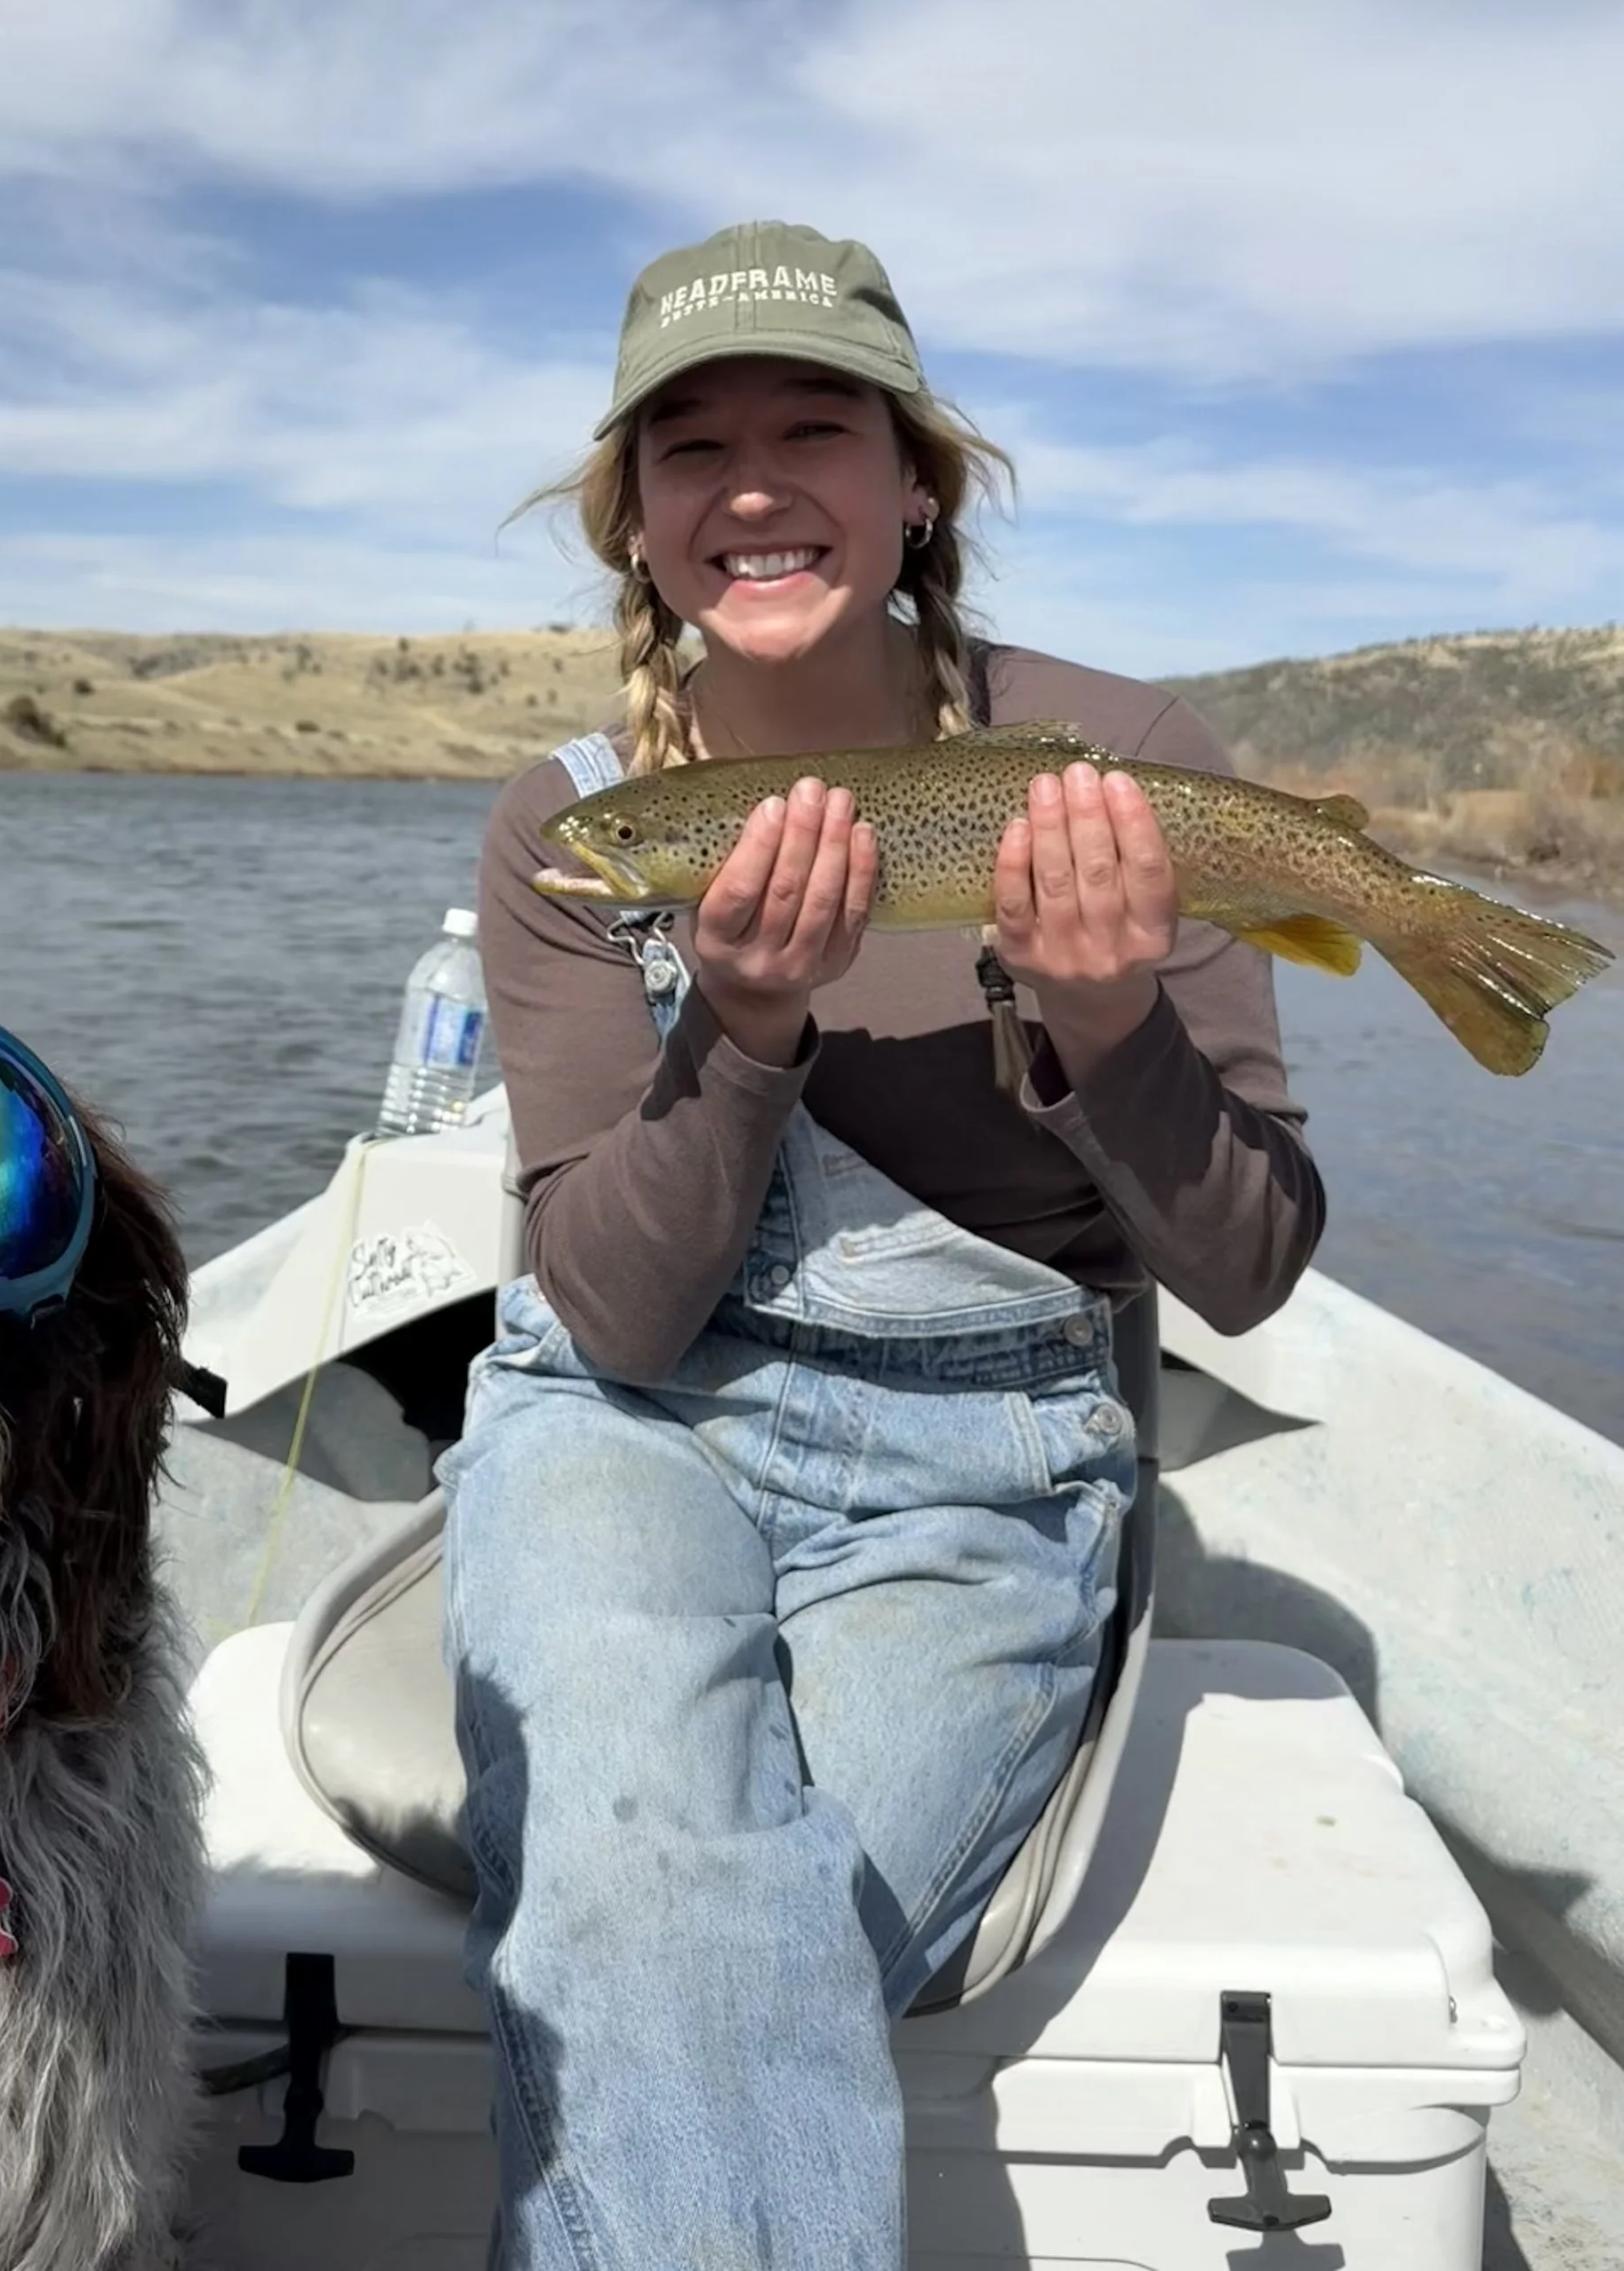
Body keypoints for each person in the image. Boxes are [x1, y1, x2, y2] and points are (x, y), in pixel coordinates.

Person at [440, 219, 1324, 2270]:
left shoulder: (1120, 761)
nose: (750, 481)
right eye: (688, 446)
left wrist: (1106, 1021)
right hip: (627, 1421)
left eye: (811, 424)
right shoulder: (577, 828)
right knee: (664, 1894)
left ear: (914, 479)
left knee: (684, 1938)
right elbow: (620, 1313)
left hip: (986, 1471)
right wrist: (740, 1029)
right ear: (633, 525)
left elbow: (1248, 1267)